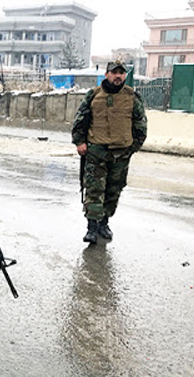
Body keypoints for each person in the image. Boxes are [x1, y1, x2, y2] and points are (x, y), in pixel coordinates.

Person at [72, 60, 147, 244]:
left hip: (121, 153)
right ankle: (91, 227)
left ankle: (104, 223)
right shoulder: (94, 95)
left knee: (113, 190)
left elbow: (140, 124)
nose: (118, 76)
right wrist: (79, 142)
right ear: (107, 75)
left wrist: (132, 148)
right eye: (114, 73)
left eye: (121, 73)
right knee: (94, 190)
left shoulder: (132, 96)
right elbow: (80, 119)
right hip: (96, 151)